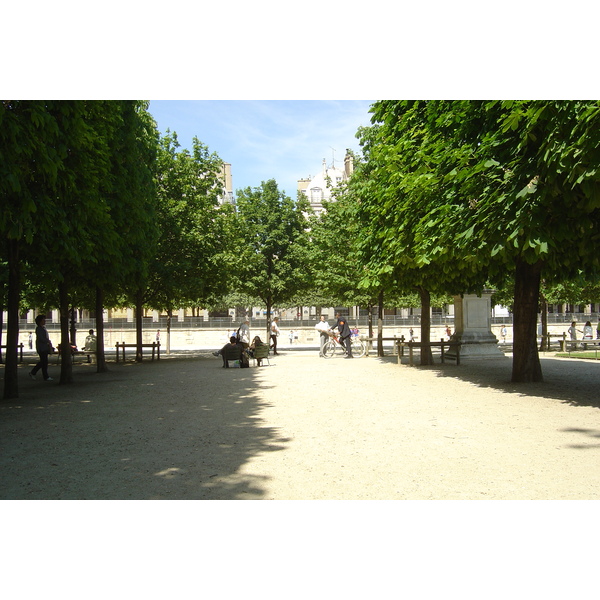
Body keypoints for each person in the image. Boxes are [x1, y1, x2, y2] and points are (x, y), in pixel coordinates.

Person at [29, 314, 54, 381]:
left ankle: (35, 373)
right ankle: (42, 375)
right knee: (43, 362)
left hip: (43, 347)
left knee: (43, 362)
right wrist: (48, 341)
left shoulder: (42, 328)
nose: (45, 321)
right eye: (43, 320)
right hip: (42, 348)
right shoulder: (39, 329)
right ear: (40, 321)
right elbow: (41, 338)